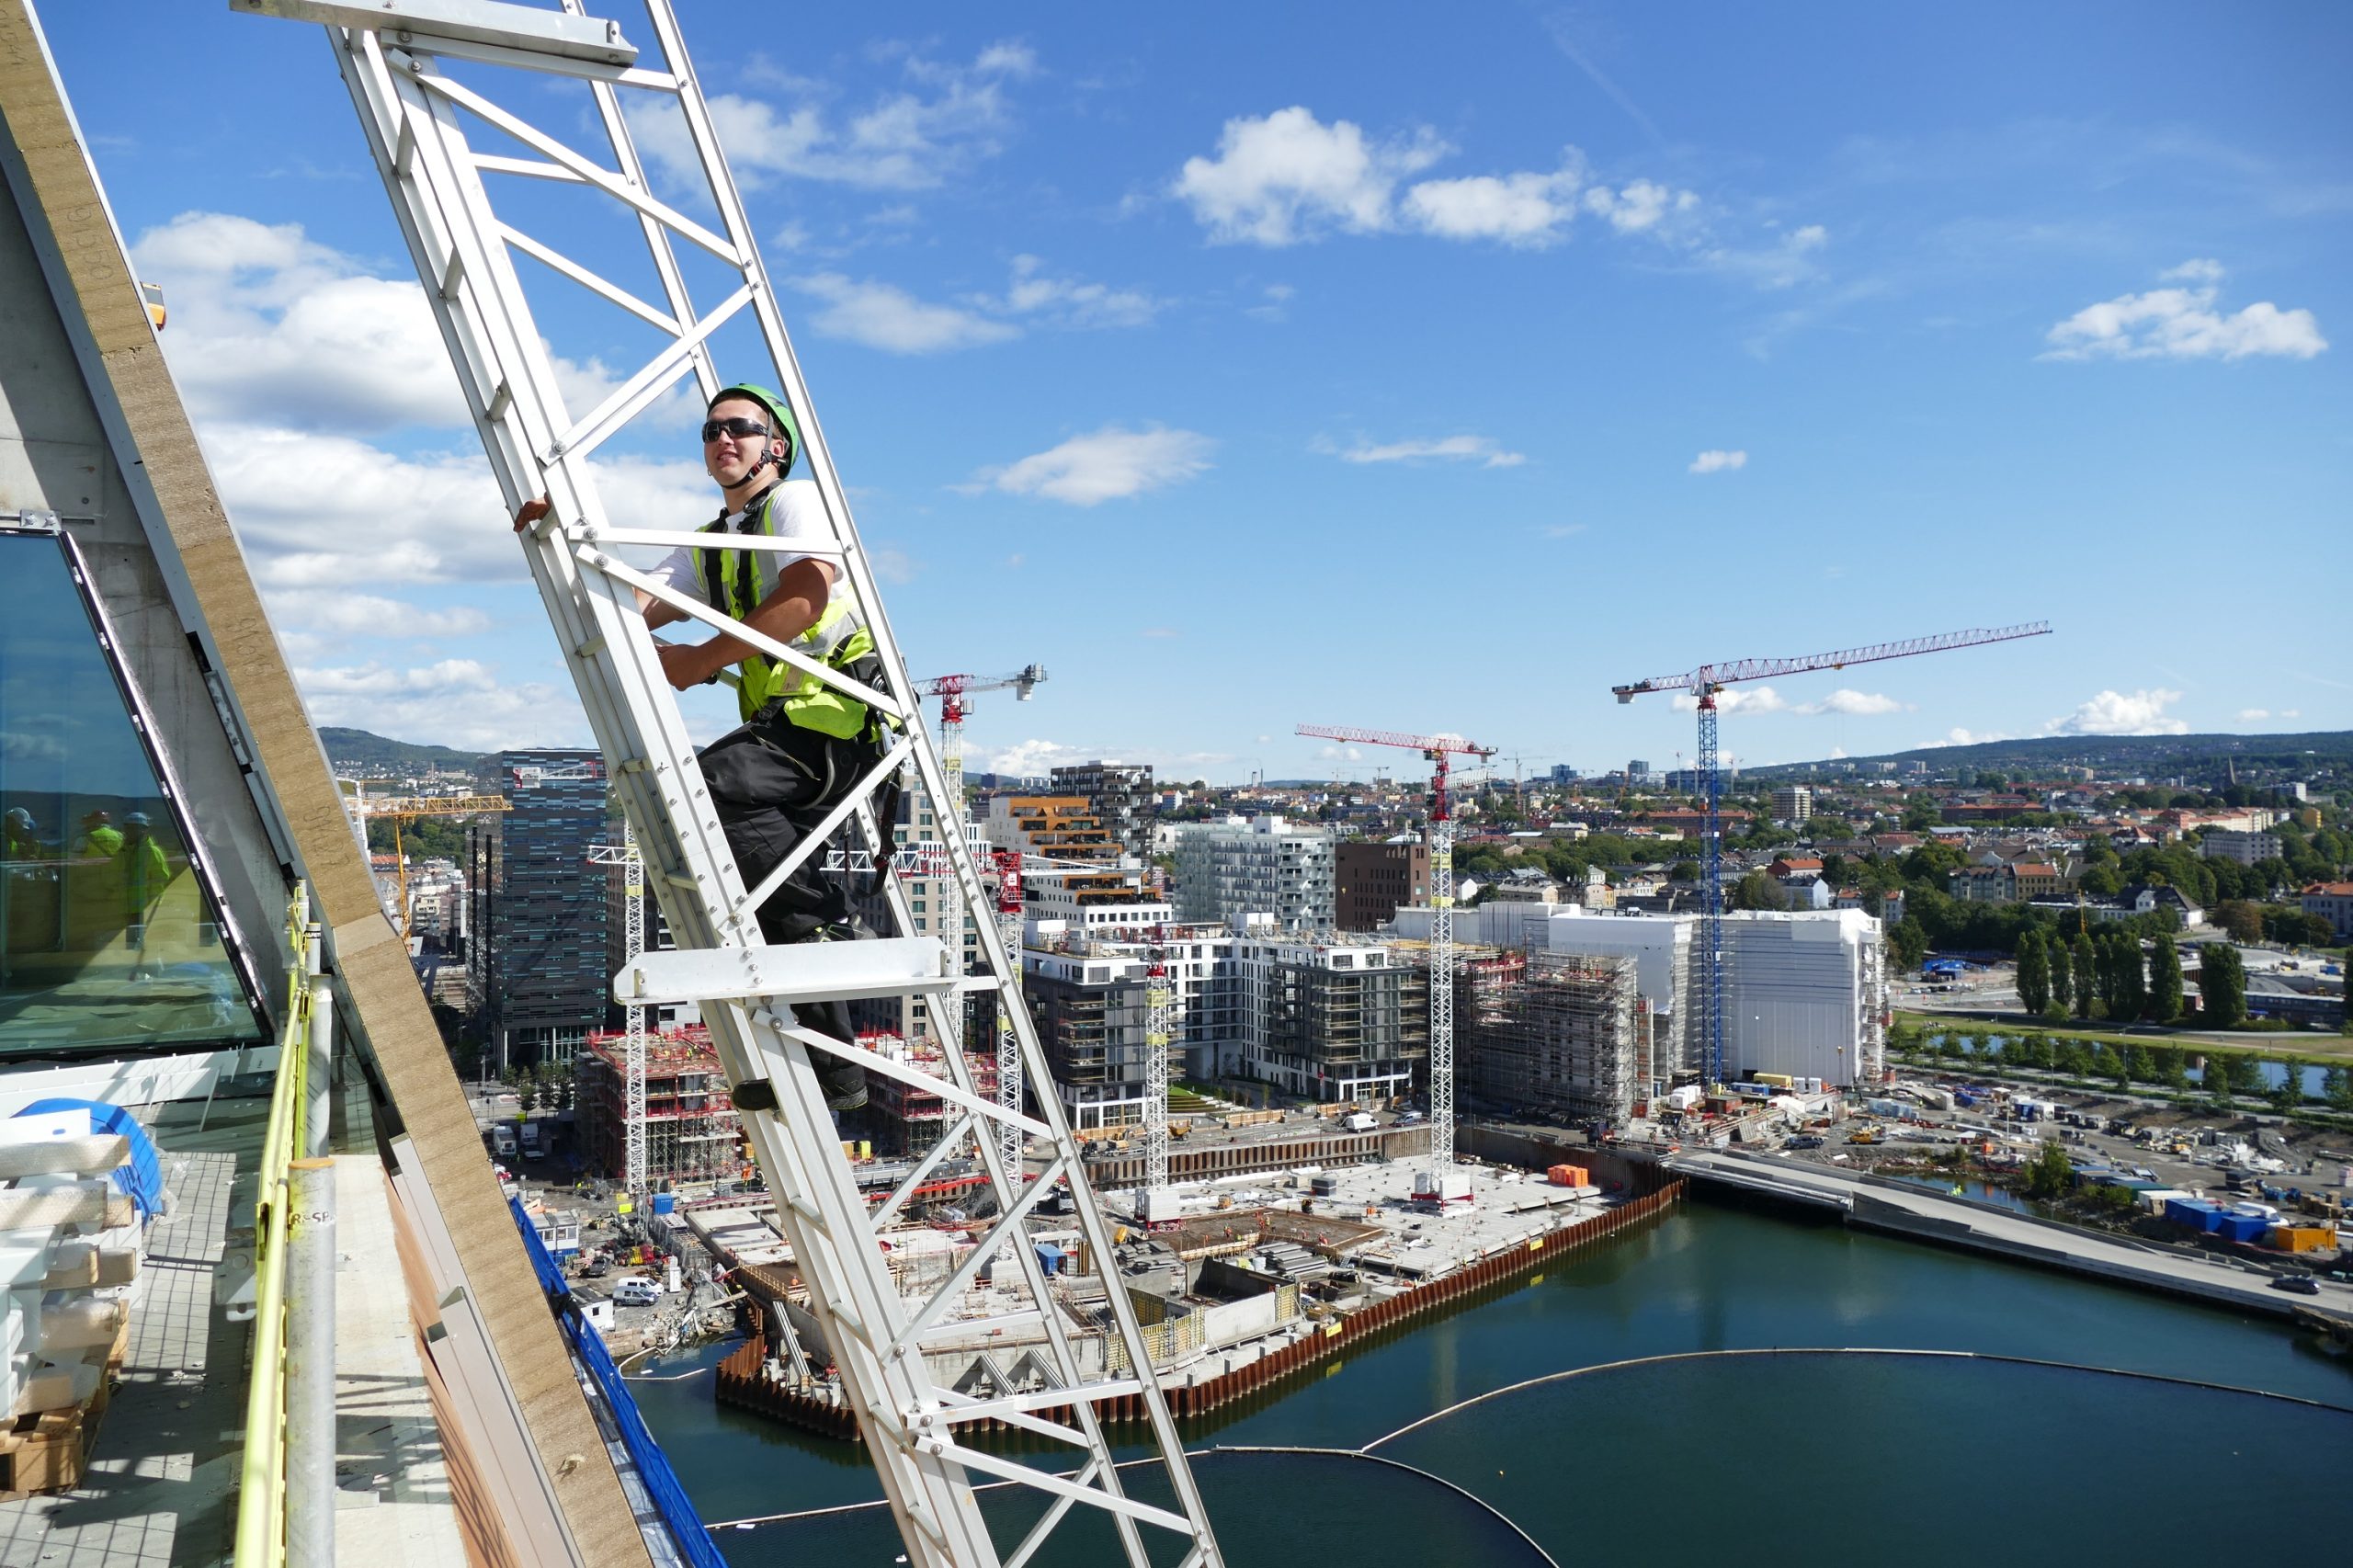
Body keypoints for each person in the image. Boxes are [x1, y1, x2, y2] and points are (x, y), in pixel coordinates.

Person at [516, 384, 891, 1113]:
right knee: (753, 893)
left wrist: (696, 661)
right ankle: (827, 1071)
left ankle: (822, 919)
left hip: (834, 723)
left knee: (711, 787)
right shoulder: (709, 543)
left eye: (742, 429)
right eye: (712, 430)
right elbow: (622, 603)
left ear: (774, 445)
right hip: (788, 732)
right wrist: (553, 540)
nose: (724, 439)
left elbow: (806, 596)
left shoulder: (795, 503)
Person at [118, 811, 170, 978]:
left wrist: (153, 904)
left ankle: (154, 973)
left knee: (147, 944)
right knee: (133, 943)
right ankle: (136, 973)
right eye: (127, 828)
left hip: (145, 906)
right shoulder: (128, 850)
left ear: (143, 830)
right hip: (132, 906)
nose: (128, 832)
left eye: (133, 829)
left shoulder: (152, 851)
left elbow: (162, 877)